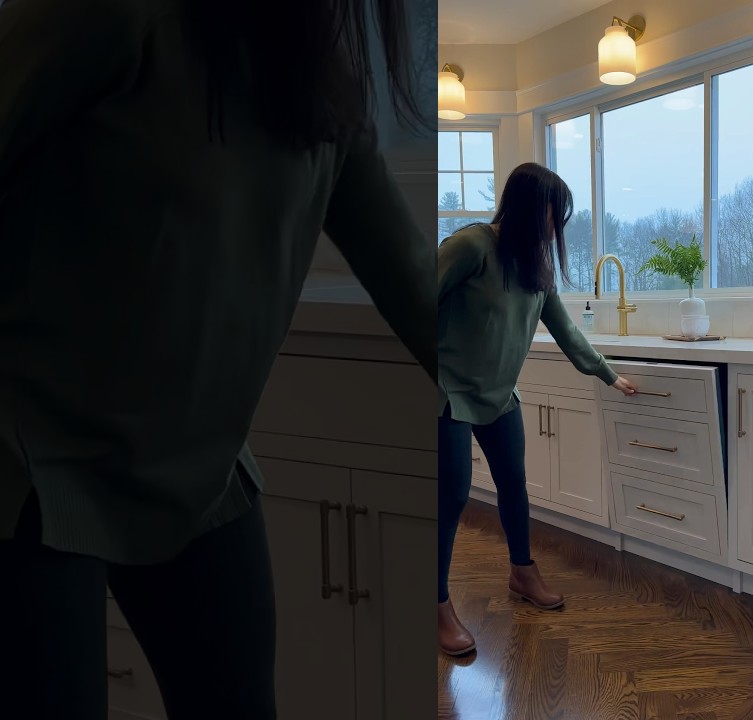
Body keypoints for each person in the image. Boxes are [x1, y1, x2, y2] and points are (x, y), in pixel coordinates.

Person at [0, 0, 436, 717]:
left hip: (198, 472)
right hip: (32, 469)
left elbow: (416, 283)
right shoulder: (109, 15)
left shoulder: (318, 83)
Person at [437, 162, 637, 656]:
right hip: (447, 391)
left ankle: (522, 573)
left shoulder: (535, 265)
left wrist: (608, 374)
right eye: (554, 212)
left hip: (500, 395)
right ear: (530, 206)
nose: (557, 224)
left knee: (514, 485)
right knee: (452, 496)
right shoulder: (471, 246)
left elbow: (566, 331)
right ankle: (436, 604)